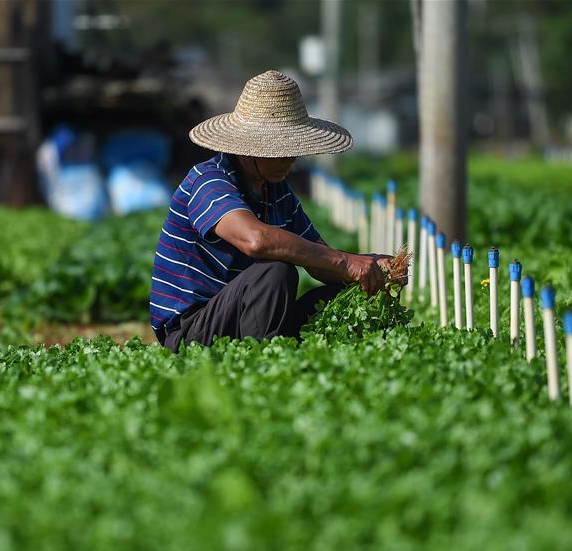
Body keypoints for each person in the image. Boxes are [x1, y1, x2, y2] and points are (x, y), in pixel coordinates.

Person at [150, 70, 392, 350]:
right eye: (280, 149)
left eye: (293, 149)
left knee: (343, 293)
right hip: (192, 331)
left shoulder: (276, 192)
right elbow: (256, 241)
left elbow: (320, 263)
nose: (290, 159)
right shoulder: (209, 181)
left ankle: (287, 357)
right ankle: (264, 364)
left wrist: (370, 266)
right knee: (275, 272)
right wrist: (345, 262)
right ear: (248, 148)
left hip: (246, 317)